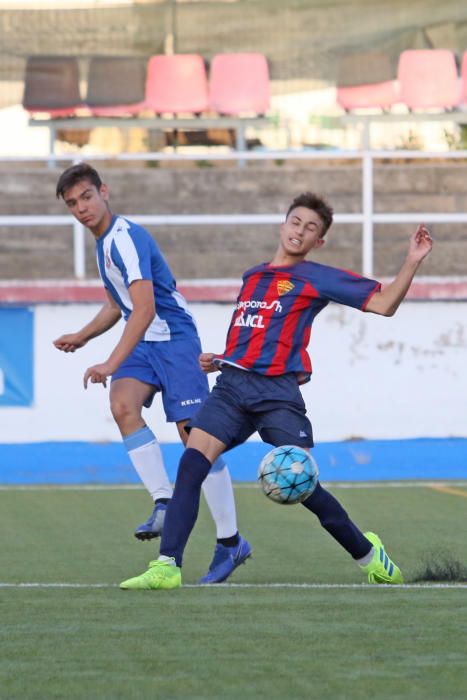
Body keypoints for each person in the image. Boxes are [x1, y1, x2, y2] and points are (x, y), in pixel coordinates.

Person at [119, 190, 433, 590]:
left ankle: (369, 554)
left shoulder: (316, 277)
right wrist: (221, 359)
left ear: (318, 241)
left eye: (311, 228)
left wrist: (411, 261)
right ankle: (167, 566)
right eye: (296, 222)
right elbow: (254, 333)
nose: (300, 231)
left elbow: (385, 303)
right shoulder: (253, 276)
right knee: (192, 462)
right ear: (283, 225)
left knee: (301, 485)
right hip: (231, 388)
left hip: (278, 394)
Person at [53, 162, 251, 584]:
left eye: (86, 197)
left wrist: (109, 361)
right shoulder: (102, 243)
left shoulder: (125, 238)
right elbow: (117, 303)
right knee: (123, 405)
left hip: (175, 339)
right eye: (72, 203)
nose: (81, 207)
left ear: (104, 192)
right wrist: (84, 336)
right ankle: (164, 501)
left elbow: (143, 309)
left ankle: (231, 541)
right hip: (145, 341)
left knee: (196, 439)